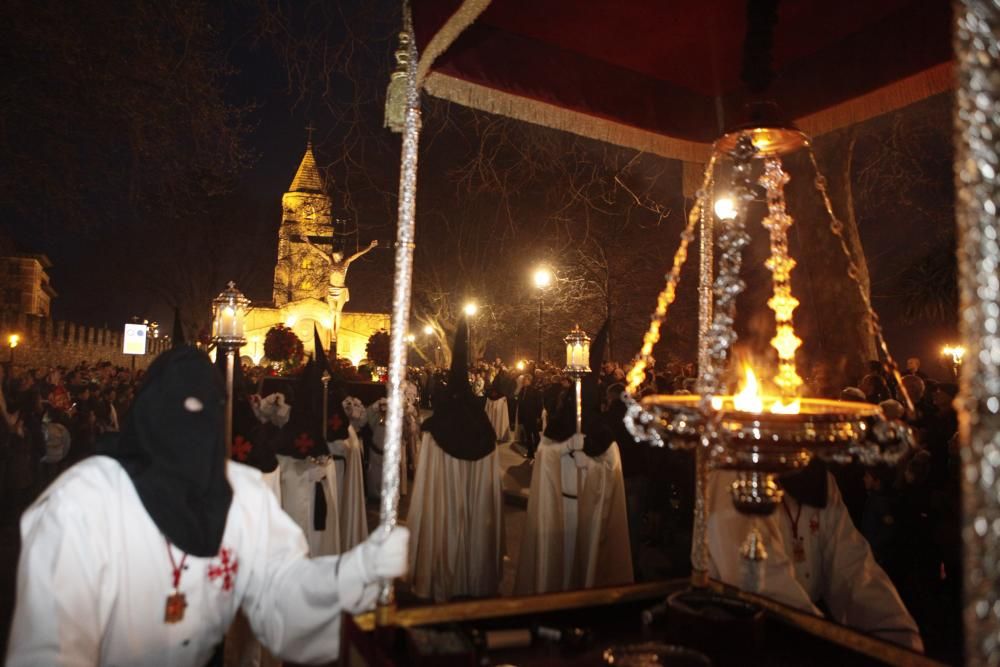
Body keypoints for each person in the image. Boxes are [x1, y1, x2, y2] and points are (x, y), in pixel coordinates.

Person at [6, 345, 408, 666]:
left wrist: (352, 572)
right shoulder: (86, 501)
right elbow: (51, 644)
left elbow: (281, 591)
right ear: (149, 413)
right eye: (183, 409)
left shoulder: (243, 497)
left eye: (209, 410)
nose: (195, 428)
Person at [706, 461, 923, 652]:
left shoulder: (821, 482)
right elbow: (764, 590)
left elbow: (854, 570)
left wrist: (897, 641)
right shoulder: (734, 479)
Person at [514, 320, 633, 594]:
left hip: (592, 508)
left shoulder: (604, 435)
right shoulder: (559, 428)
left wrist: (592, 458)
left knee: (587, 560)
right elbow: (545, 456)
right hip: (560, 503)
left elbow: (611, 467)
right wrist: (565, 449)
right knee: (561, 560)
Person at [406, 319, 502, 602]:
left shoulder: (439, 428)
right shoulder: (483, 427)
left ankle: (443, 576)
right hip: (476, 513)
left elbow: (426, 490)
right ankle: (475, 577)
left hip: (444, 509)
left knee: (445, 522)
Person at [516, 373, 543, 459]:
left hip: (532, 415)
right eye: (523, 380)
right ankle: (530, 453)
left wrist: (538, 416)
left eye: (526, 380)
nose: (524, 381)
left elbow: (539, 404)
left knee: (535, 434)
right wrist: (520, 418)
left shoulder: (535, 391)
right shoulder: (522, 390)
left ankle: (539, 452)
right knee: (527, 435)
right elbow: (520, 404)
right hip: (524, 415)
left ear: (530, 381)